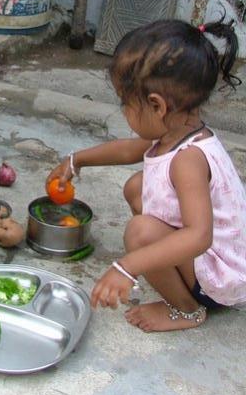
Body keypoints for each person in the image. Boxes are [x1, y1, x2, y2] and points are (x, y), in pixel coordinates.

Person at [47, 17, 246, 332]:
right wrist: (77, 160)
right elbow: (127, 150)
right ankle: (167, 270)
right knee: (137, 186)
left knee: (139, 232)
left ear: (157, 106)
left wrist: (127, 266)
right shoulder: (178, 129)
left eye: (125, 102)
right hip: (207, 257)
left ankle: (187, 309)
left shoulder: (189, 160)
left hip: (219, 280)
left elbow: (199, 236)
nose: (123, 110)